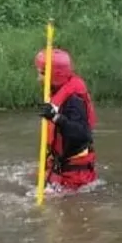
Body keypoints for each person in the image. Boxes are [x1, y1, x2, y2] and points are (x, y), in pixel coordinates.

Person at [33, 47, 98, 193]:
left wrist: (56, 118)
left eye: (42, 74)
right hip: (60, 163)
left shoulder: (74, 100)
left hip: (75, 173)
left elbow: (82, 134)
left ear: (54, 76)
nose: (38, 79)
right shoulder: (56, 91)